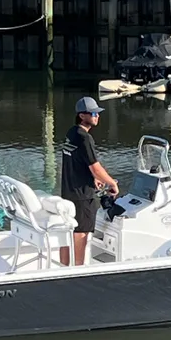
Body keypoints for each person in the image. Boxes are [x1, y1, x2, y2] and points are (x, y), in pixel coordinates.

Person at [60, 96, 119, 266]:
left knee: (67, 231)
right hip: (82, 195)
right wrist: (111, 183)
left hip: (68, 190)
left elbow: (78, 162)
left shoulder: (71, 133)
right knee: (81, 232)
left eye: (98, 113)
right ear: (82, 115)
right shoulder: (85, 138)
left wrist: (93, 178)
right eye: (93, 113)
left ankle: (63, 267)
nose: (97, 116)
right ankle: (78, 269)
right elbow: (96, 167)